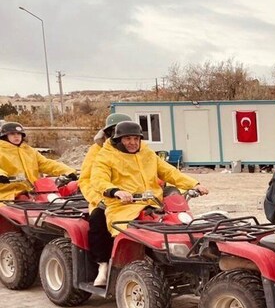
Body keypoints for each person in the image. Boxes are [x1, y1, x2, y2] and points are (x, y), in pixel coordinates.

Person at [90, 120, 209, 283]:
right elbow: (98, 179)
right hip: (123, 207)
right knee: (120, 230)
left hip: (153, 204)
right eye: (127, 139)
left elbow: (169, 172)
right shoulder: (105, 156)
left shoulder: (148, 154)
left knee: (179, 224)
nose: (132, 143)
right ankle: (104, 267)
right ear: (118, 139)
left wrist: (194, 184)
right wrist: (115, 191)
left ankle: (185, 260)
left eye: (135, 139)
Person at [80, 113, 132, 285]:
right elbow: (86, 179)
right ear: (108, 133)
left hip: (133, 198)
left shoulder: (136, 149)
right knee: (98, 220)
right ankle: (103, 265)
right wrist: (98, 199)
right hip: (105, 197)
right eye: (114, 131)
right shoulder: (97, 152)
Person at [0, 121, 77, 201]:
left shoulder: (30, 151)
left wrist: (68, 171)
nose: (16, 136)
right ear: (4, 136)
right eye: (12, 134)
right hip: (7, 192)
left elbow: (46, 164)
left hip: (33, 191)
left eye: (19, 134)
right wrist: (1, 175)